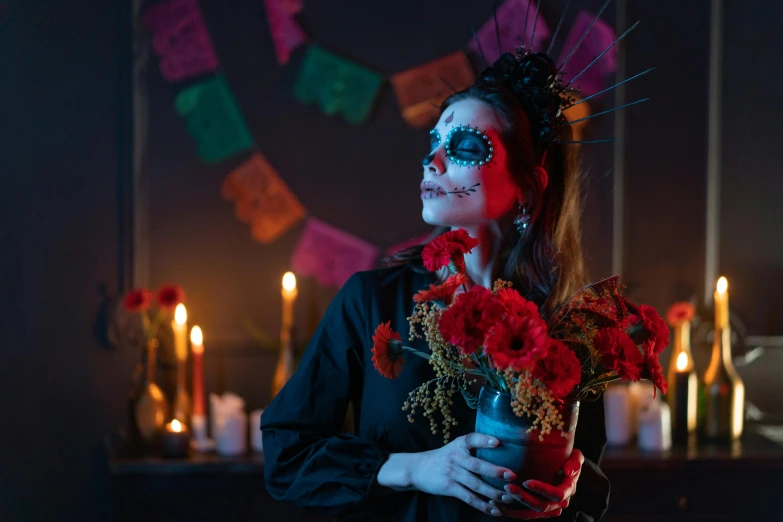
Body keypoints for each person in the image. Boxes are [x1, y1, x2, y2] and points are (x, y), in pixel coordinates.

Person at [261, 48, 611, 521]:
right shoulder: (372, 301)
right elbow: (287, 453)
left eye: (466, 146)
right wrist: (413, 468)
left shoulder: (564, 323)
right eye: (433, 143)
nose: (433, 161)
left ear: (527, 188)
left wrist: (566, 485)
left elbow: (589, 485)